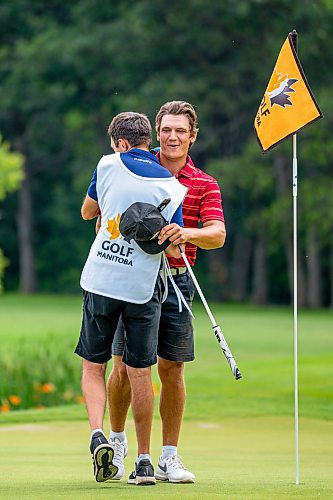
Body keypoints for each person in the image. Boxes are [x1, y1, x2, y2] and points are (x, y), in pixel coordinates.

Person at [107, 101, 226, 484]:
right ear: (156, 132)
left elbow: (217, 234)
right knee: (124, 366)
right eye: (167, 130)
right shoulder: (136, 167)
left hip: (176, 280)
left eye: (181, 131)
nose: (173, 137)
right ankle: (118, 442)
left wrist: (186, 233)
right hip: (131, 277)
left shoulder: (205, 183)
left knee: (172, 368)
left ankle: (169, 457)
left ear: (193, 136)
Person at [75, 111, 187, 486]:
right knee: (141, 372)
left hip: (101, 279)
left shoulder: (107, 165)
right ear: (146, 139)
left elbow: (88, 211)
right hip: (141, 289)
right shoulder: (173, 187)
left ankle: (97, 434)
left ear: (121, 143)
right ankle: (142, 462)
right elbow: (173, 247)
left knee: (94, 366)